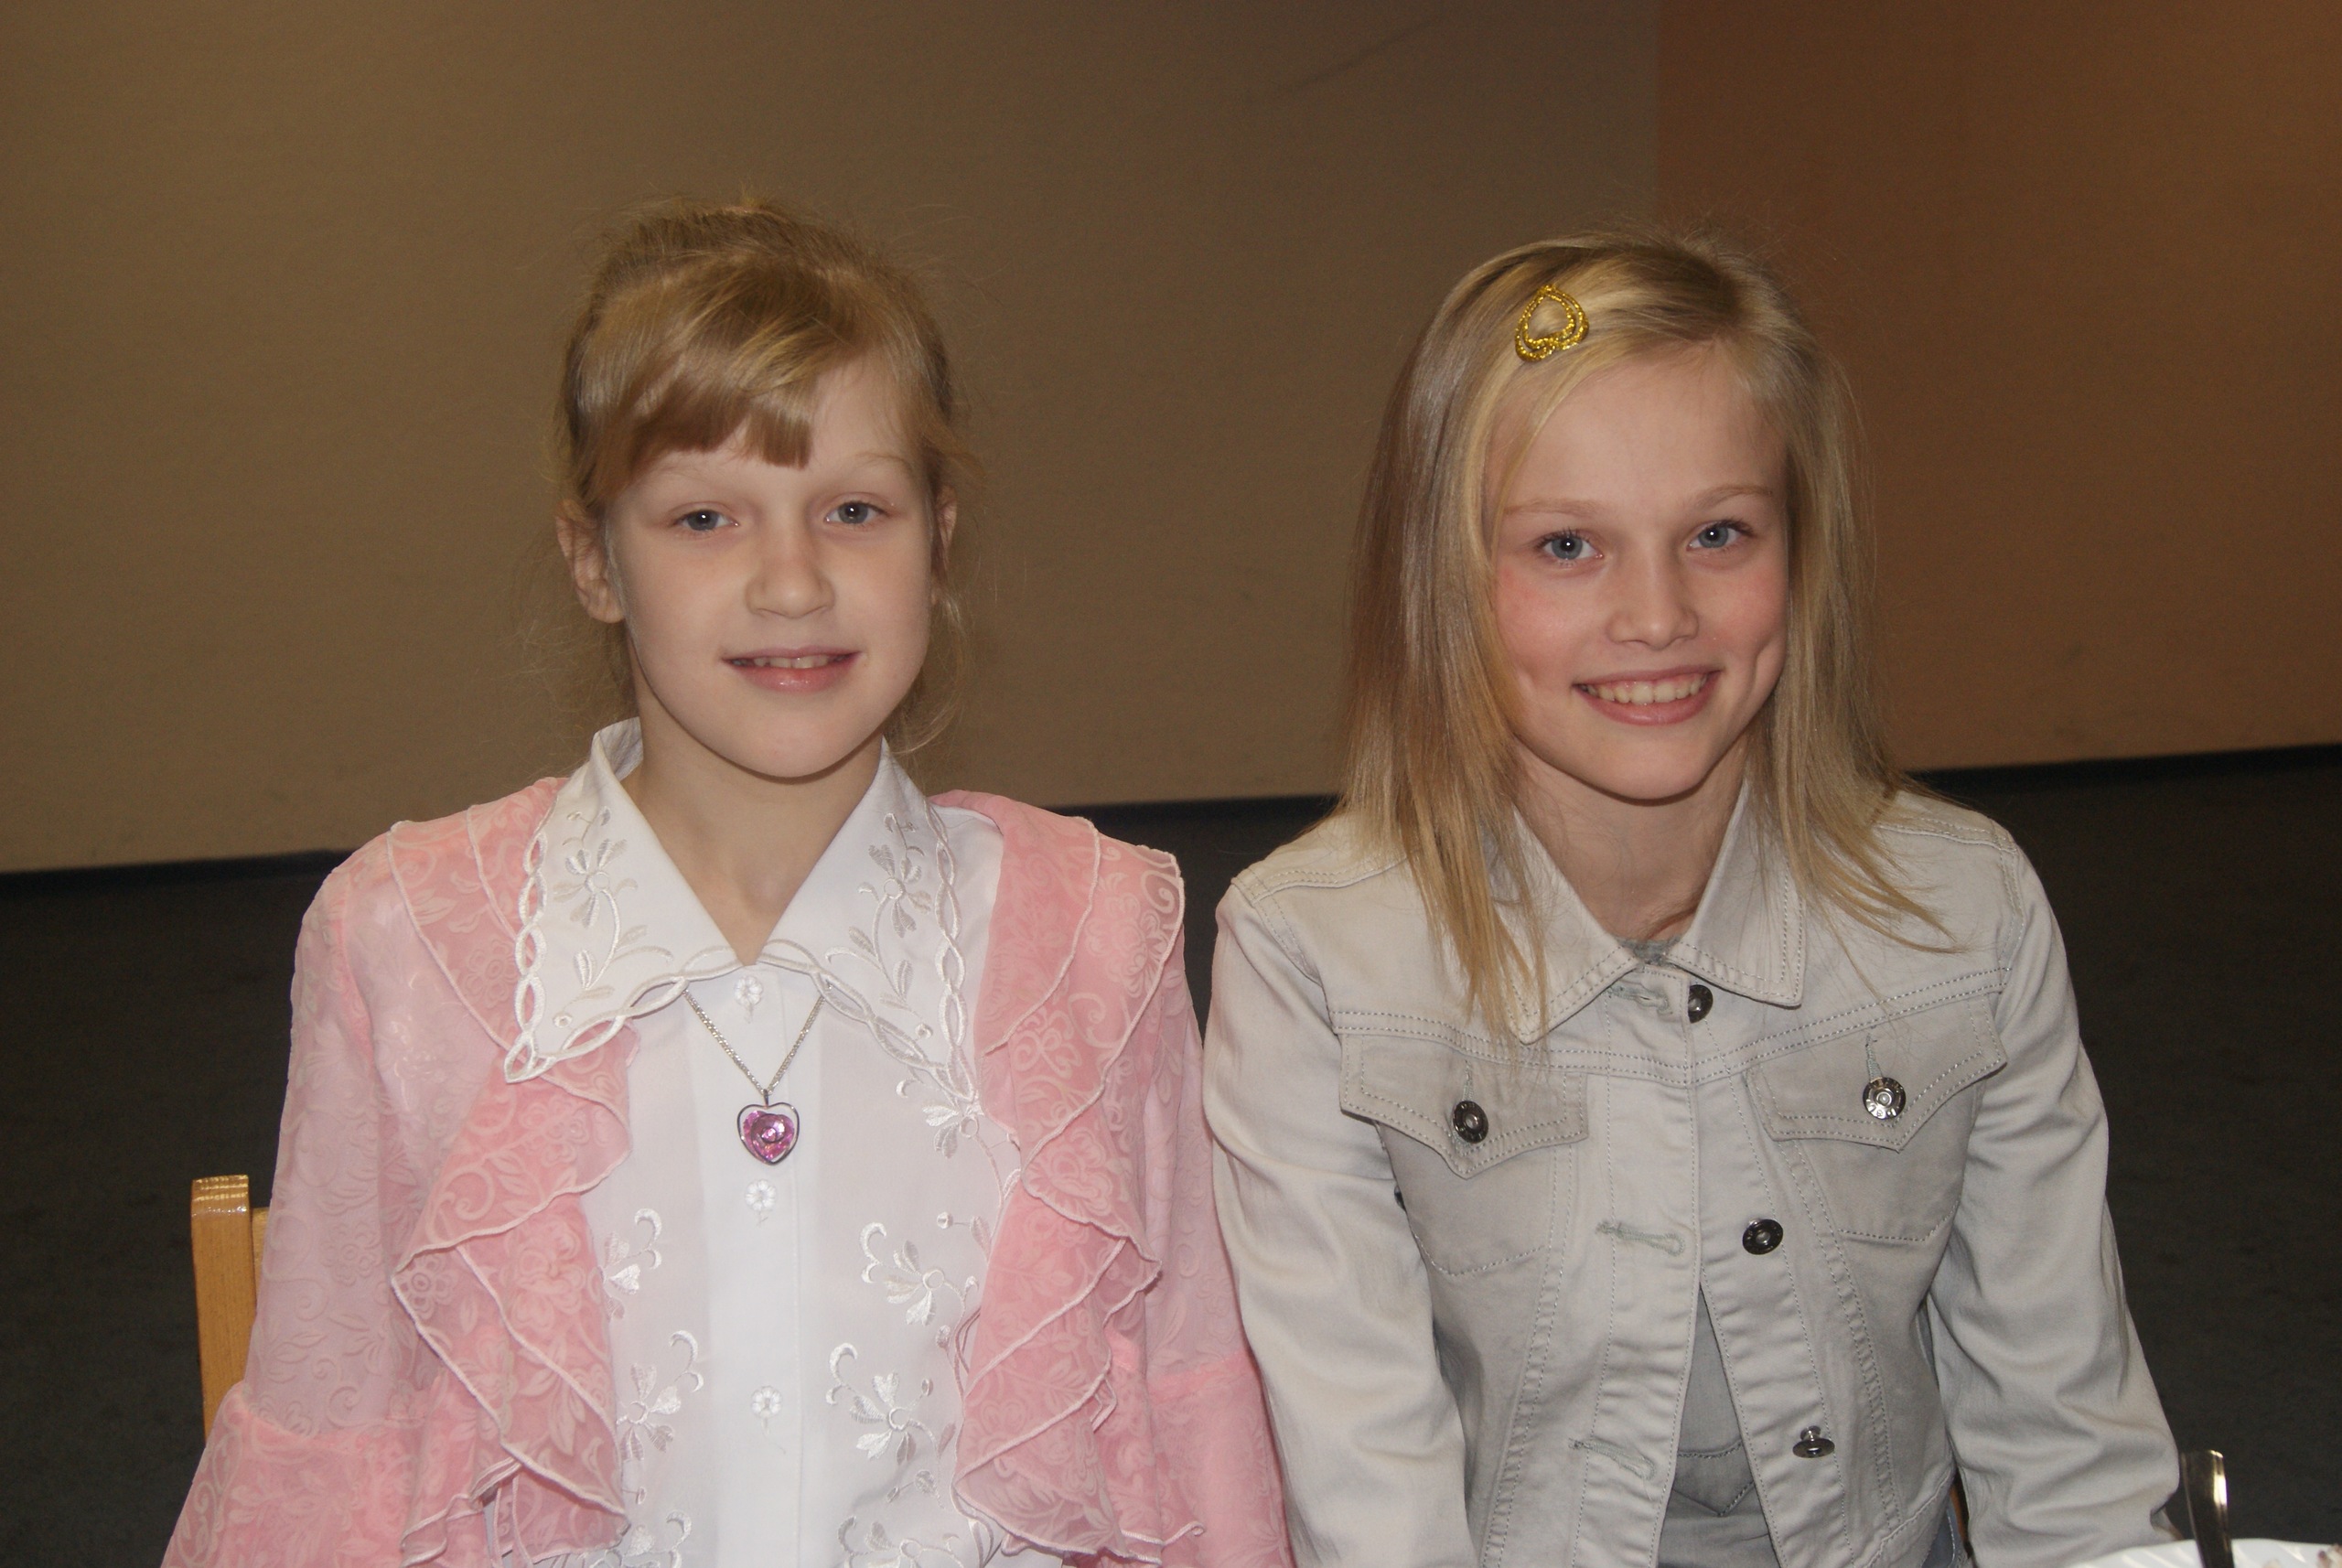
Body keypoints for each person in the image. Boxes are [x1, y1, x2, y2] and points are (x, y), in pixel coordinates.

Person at [167, 199, 1291, 1568]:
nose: (792, 582)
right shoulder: (405, 940)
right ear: (595, 560)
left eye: (855, 511)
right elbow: (332, 1426)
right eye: (705, 516)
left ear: (939, 540)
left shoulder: (1095, 933)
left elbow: (1184, 1412)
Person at [1202, 231, 2177, 1568]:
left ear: (1802, 552)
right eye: (1567, 545)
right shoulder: (1315, 953)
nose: (1657, 614)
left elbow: (2066, 1436)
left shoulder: (1966, 913)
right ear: (1443, 578)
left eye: (1719, 534)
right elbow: (1370, 1488)